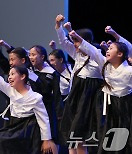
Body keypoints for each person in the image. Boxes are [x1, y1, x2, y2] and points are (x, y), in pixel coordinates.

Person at [0, 56, 55, 154]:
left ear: (23, 76)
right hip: (13, 125)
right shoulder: (10, 90)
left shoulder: (36, 97)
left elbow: (43, 119)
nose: (9, 77)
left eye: (13, 74)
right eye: (9, 74)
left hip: (27, 129)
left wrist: (46, 140)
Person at [69, 30, 132, 154]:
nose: (107, 50)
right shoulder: (105, 64)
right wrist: (76, 37)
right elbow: (92, 50)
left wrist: (115, 34)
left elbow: (129, 47)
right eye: (108, 48)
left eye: (111, 48)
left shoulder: (129, 70)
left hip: (125, 105)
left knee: (123, 137)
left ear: (120, 54)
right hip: (106, 104)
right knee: (104, 135)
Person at [55, 14, 103, 154]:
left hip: (88, 99)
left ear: (85, 41)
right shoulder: (77, 55)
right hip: (75, 97)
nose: (74, 44)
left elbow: (91, 50)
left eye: (75, 41)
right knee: (72, 131)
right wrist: (58, 26)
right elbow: (63, 42)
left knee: (80, 132)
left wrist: (72, 31)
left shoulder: (97, 55)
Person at [0, 32, 41, 127]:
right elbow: (0, 57)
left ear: (23, 60)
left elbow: (40, 92)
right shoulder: (11, 70)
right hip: (13, 113)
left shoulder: (33, 76)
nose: (10, 62)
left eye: (12, 60)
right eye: (9, 60)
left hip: (30, 115)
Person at [29, 45, 64, 153]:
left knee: (51, 140)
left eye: (34, 54)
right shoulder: (29, 71)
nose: (31, 57)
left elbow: (57, 95)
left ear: (42, 57)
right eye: (29, 55)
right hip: (32, 111)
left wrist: (59, 113)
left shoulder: (52, 73)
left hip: (48, 110)